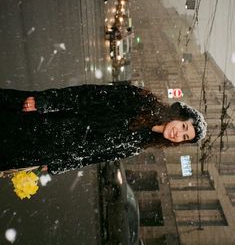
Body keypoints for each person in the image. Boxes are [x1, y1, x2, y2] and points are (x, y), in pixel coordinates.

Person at [0, 84, 207, 175]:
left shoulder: (138, 146)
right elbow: (87, 95)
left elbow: (91, 157)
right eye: (183, 126)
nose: (178, 133)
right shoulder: (138, 100)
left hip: (44, 150)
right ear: (178, 115)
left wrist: (56, 166)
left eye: (184, 137)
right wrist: (47, 101)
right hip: (45, 121)